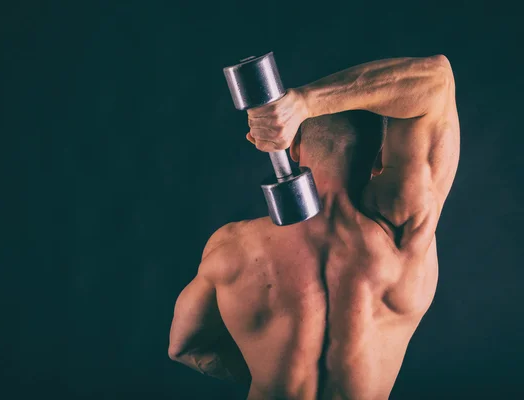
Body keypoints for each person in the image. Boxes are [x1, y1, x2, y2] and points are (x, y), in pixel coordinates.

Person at [168, 55, 459, 400]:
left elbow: (184, 347)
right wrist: (305, 103)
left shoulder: (231, 247)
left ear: (292, 148)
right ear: (381, 158)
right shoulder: (405, 236)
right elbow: (437, 80)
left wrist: (268, 375)